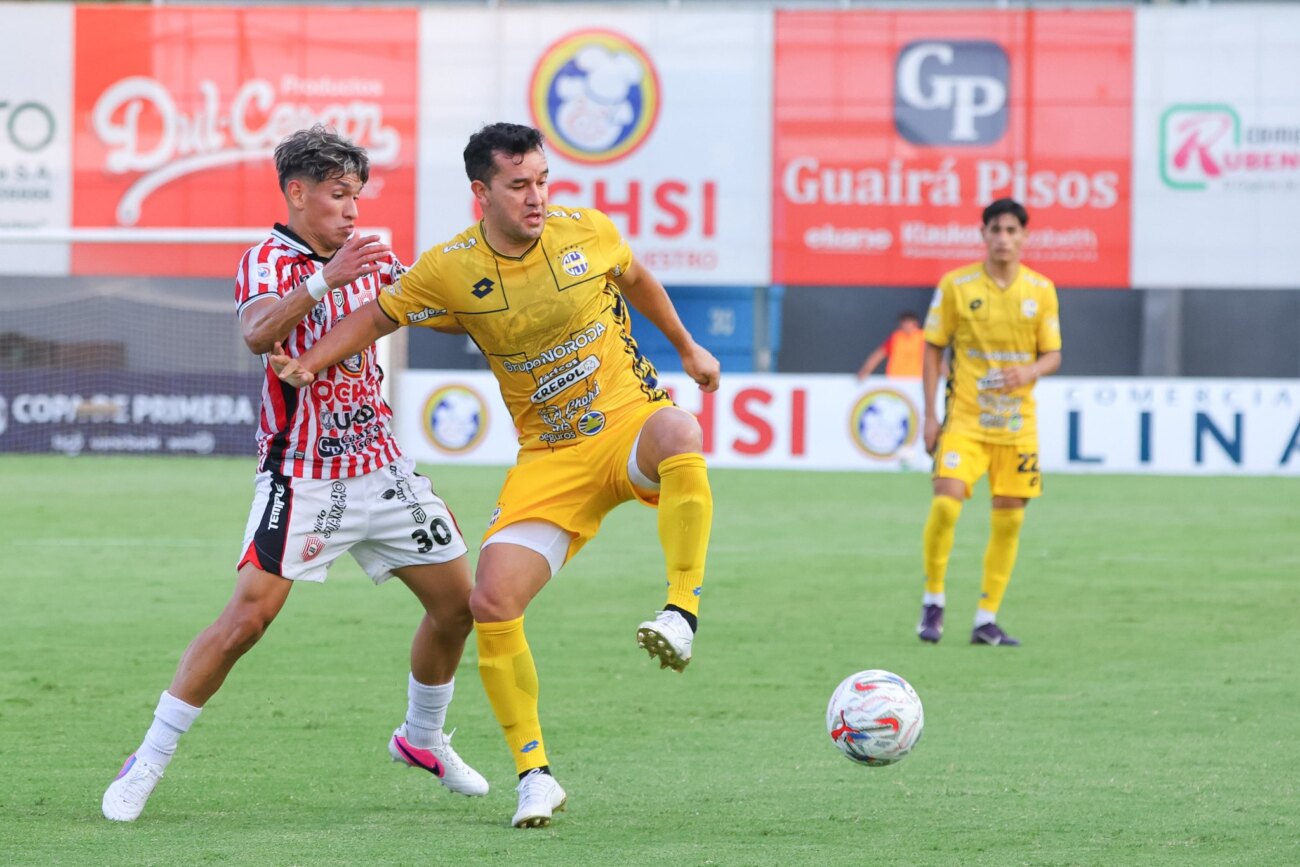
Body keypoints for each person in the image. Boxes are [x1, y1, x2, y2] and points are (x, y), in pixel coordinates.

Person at [271, 122, 720, 828]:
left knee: (680, 431)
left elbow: (635, 276)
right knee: (491, 601)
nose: (536, 197)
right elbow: (378, 317)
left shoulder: (588, 231)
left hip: (628, 425)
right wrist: (309, 362)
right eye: (519, 185)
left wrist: (688, 349)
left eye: (542, 180)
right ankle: (535, 775)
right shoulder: (450, 267)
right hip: (550, 459)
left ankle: (681, 611)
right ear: (482, 192)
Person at [101, 126, 487, 822]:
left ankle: (421, 738)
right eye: (338, 195)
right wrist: (322, 280)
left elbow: (432, 310)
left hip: (383, 468)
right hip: (303, 476)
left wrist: (480, 298)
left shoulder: (372, 256)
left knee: (461, 606)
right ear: (298, 192)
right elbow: (257, 332)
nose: (351, 209)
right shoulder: (268, 261)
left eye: (357, 195)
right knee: (246, 621)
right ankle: (146, 760)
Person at [916, 198, 1061, 647]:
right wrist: (930, 415)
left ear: (1024, 236)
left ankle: (986, 618)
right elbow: (932, 347)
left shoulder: (1040, 289)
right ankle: (933, 599)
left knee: (1010, 520)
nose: (1003, 238)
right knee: (946, 503)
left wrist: (1028, 371)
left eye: (1011, 230)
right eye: (995, 229)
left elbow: (1053, 354)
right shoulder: (957, 285)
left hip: (1016, 427)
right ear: (983, 235)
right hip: (965, 421)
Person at [856, 311, 925, 380]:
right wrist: (865, 370)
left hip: (916, 379)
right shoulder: (896, 337)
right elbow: (878, 355)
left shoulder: (923, 337)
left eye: (909, 322)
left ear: (916, 323)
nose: (907, 325)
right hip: (894, 378)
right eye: (905, 322)